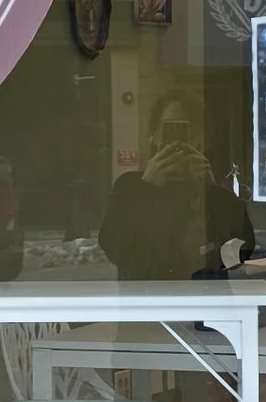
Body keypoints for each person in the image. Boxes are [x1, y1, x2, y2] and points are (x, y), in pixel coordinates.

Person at [99, 89, 249, 279]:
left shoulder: (218, 197)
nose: (179, 141)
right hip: (145, 303)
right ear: (154, 135)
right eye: (170, 129)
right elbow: (116, 250)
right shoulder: (129, 187)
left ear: (203, 140)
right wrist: (146, 188)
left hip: (204, 302)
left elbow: (235, 258)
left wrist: (211, 194)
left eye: (188, 130)